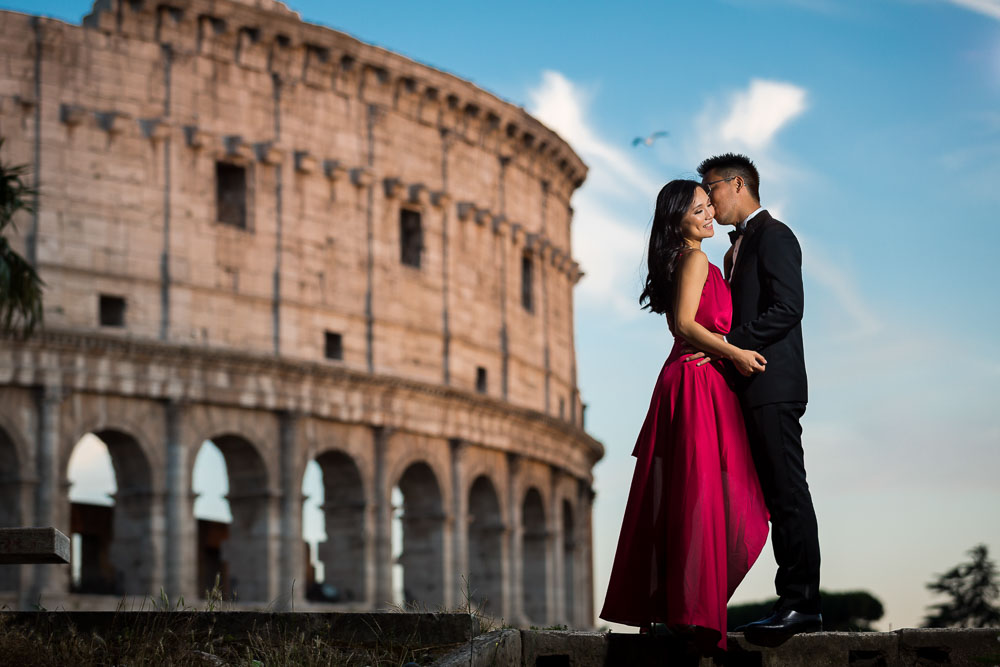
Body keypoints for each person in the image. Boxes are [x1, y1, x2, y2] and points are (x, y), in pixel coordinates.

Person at [599, 179, 769, 654]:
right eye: (699, 209)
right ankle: (689, 611)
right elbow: (685, 324)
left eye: (708, 204)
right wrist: (735, 353)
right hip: (695, 382)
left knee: (690, 493)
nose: (709, 212)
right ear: (678, 221)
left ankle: (682, 607)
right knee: (706, 494)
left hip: (698, 380)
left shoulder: (699, 259)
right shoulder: (693, 259)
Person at [692, 153, 822, 646]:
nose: (707, 199)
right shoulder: (734, 250)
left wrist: (730, 345)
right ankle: (789, 601)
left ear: (738, 183)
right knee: (771, 496)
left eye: (711, 189)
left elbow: (789, 308)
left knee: (788, 493)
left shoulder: (776, 235)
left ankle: (802, 604)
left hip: (773, 384)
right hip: (749, 385)